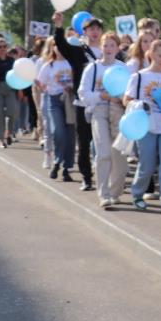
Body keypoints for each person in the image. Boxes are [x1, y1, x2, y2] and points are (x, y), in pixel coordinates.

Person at [124, 40, 161, 217]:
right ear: (151, 54)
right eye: (160, 56)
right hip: (146, 125)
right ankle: (137, 194)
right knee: (147, 164)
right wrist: (139, 103)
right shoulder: (139, 77)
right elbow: (126, 99)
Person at [54, 12, 104, 192]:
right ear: (84, 32)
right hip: (83, 103)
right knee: (84, 141)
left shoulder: (108, 52)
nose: (95, 32)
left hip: (104, 103)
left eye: (98, 29)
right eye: (91, 29)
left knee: (104, 142)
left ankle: (106, 178)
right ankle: (86, 177)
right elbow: (61, 45)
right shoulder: (78, 51)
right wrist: (59, 27)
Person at [78, 32, 127, 209]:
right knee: (104, 152)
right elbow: (83, 94)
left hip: (118, 112)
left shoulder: (123, 68)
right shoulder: (93, 68)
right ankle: (103, 194)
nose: (108, 49)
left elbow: (128, 93)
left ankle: (114, 192)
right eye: (105, 45)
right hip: (99, 111)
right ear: (101, 47)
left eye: (112, 45)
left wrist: (121, 98)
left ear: (117, 47)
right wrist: (103, 95)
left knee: (119, 155)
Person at [36, 41, 76, 182]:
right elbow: (39, 82)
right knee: (58, 131)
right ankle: (57, 161)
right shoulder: (49, 65)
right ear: (53, 48)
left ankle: (66, 167)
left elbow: (78, 80)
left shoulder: (71, 63)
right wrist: (46, 89)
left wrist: (70, 86)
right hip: (54, 100)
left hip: (69, 100)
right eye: (57, 46)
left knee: (70, 133)